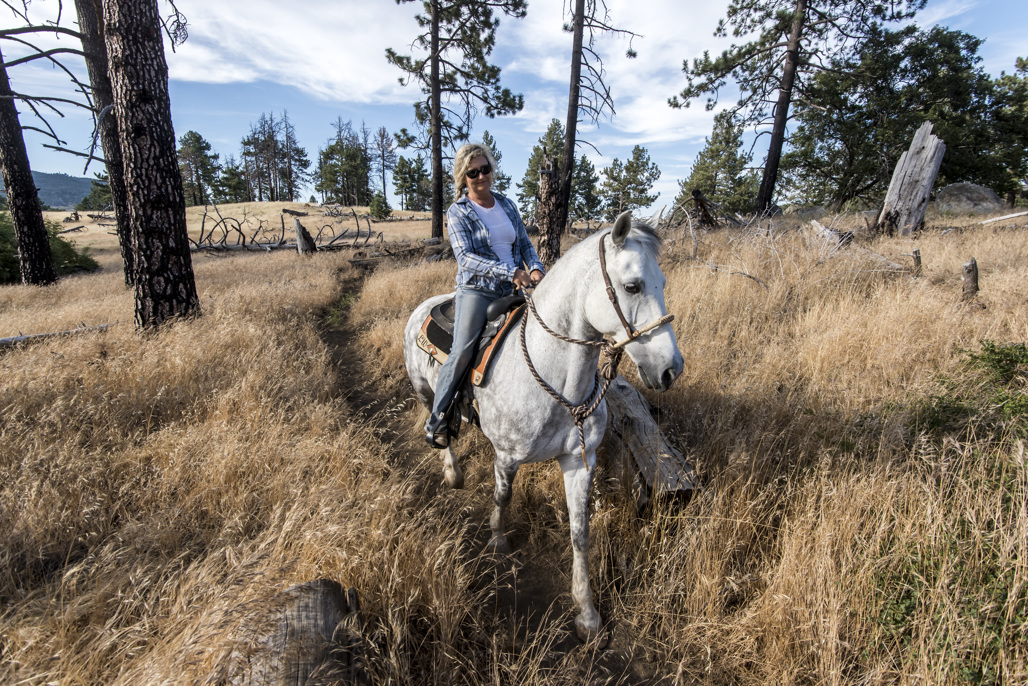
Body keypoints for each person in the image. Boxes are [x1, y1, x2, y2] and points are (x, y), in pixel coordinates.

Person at [425, 142, 545, 448]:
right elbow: (466, 259)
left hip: (514, 286)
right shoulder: (458, 211)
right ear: (463, 178)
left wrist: (534, 268)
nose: (481, 176)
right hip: (477, 290)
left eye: (485, 169)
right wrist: (509, 272)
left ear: (492, 169)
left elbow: (525, 244)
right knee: (463, 350)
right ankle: (437, 419)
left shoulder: (506, 204)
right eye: (473, 172)